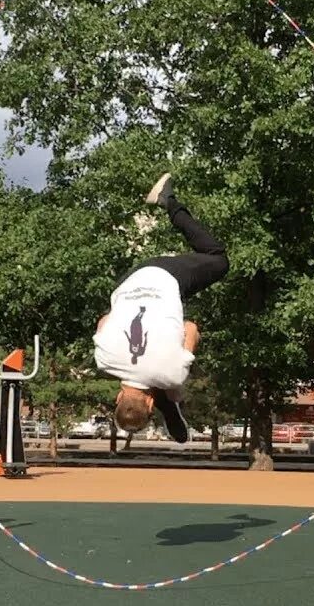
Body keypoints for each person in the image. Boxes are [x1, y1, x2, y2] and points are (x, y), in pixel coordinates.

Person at [94, 173, 228, 443]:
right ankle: (168, 396)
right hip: (128, 283)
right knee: (161, 365)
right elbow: (104, 320)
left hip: (167, 279)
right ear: (118, 397)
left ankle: (168, 202)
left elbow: (190, 328)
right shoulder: (103, 360)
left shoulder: (173, 373)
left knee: (219, 259)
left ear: (150, 405)